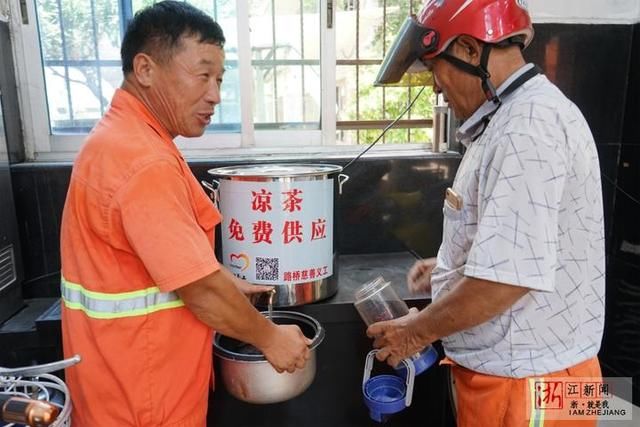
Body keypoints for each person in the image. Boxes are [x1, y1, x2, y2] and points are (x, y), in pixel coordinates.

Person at [59, 2, 311, 426]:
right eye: (202, 74)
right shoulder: (142, 160)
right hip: (145, 400)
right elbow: (200, 292)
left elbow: (153, 265)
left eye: (220, 79)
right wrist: (270, 338)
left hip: (118, 387)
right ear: (145, 69)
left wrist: (223, 280)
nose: (214, 94)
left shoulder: (124, 140)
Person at [369, 1, 605, 426]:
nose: (436, 87)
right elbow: (519, 247)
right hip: (537, 372)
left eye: (434, 67)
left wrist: (414, 333)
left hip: (530, 388)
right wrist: (454, 270)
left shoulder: (527, 127)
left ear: (468, 49)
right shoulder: (513, 117)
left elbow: (504, 281)